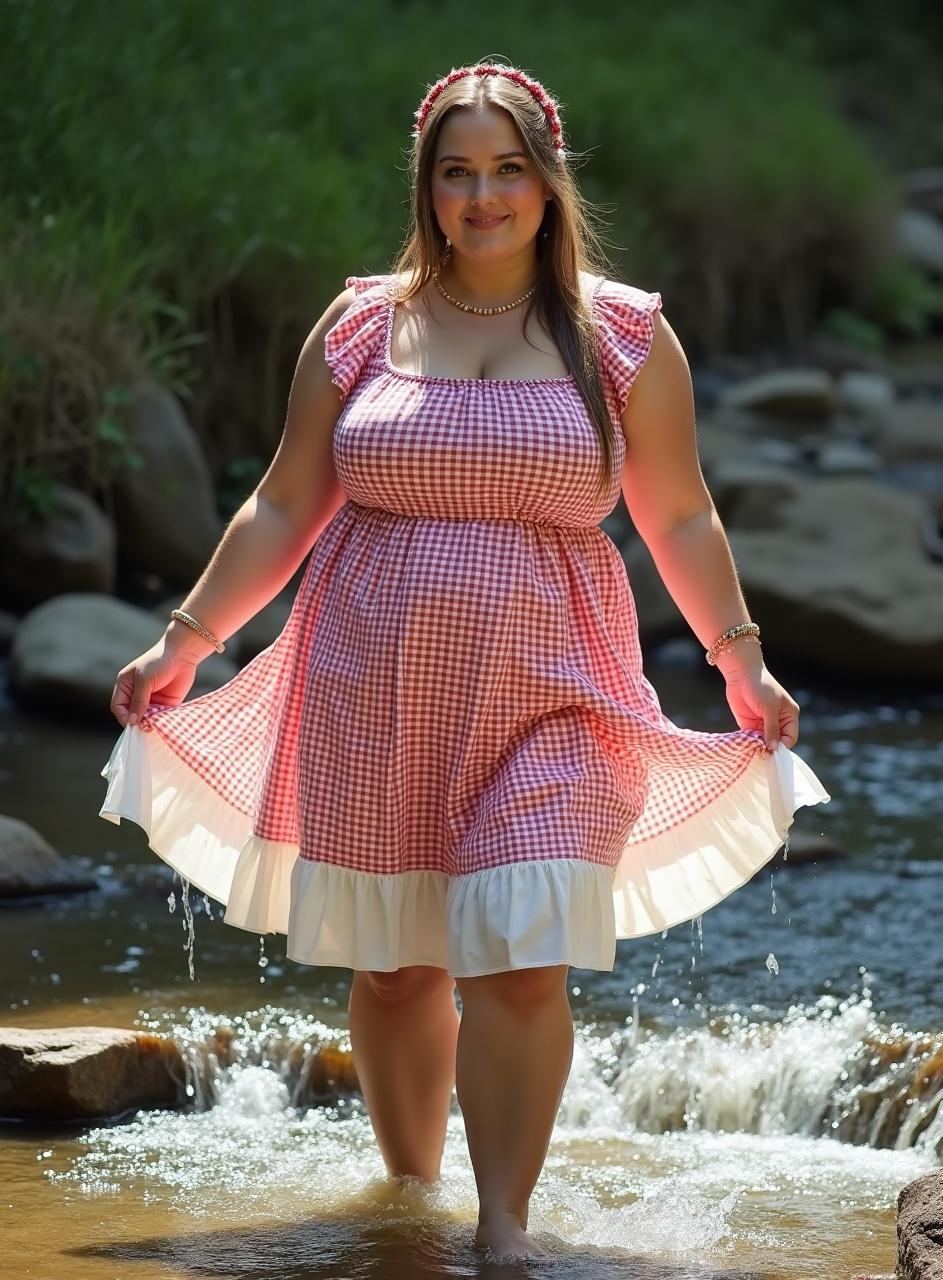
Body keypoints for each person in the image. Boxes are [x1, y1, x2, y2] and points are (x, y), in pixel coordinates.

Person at [100, 59, 830, 1261]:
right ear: (427, 188)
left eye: (507, 171)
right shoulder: (357, 328)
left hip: (555, 686)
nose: (483, 198)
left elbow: (681, 516)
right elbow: (284, 506)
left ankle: (501, 1230)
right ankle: (411, 1198)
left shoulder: (628, 337)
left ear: (547, 185)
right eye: (457, 173)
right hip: (371, 683)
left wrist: (739, 661)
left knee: (524, 951)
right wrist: (187, 640)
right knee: (396, 967)